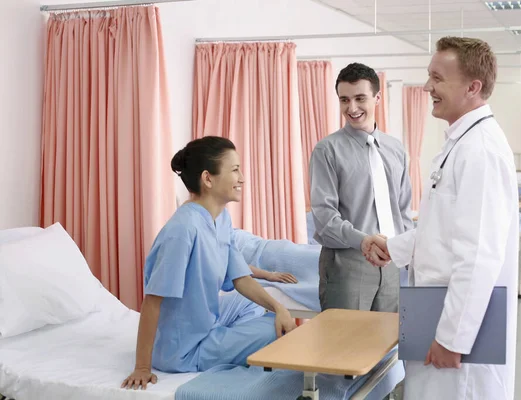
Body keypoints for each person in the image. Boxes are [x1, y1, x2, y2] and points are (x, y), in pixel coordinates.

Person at [363, 36, 518, 400]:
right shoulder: (461, 144)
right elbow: (441, 227)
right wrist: (395, 247)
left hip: (457, 331)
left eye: (437, 78)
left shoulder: (479, 152)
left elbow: (479, 254)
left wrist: (453, 338)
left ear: (472, 87)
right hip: (435, 309)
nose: (427, 87)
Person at [122, 136, 297, 390]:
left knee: (261, 305)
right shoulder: (182, 230)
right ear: (208, 178)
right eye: (235, 170)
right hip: (181, 349)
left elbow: (241, 278)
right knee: (272, 331)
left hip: (204, 321)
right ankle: (224, 345)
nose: (242, 178)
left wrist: (280, 307)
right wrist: (142, 367)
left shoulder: (221, 218)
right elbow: (152, 301)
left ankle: (228, 340)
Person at [309, 62, 413, 312]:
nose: (351, 108)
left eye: (359, 98)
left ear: (377, 98)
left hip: (392, 264)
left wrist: (407, 252)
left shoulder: (395, 148)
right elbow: (324, 217)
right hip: (348, 265)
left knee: (388, 345)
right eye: (344, 100)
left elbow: (403, 208)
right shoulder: (327, 150)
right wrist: (364, 241)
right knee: (345, 347)